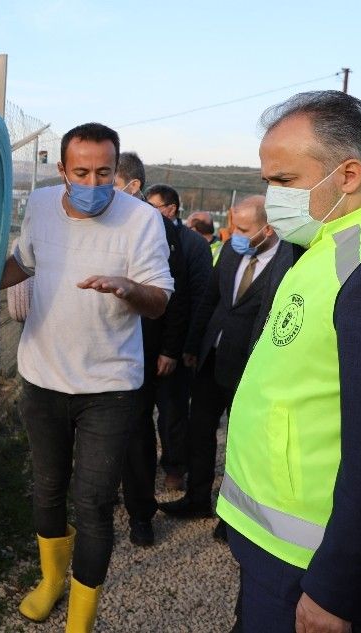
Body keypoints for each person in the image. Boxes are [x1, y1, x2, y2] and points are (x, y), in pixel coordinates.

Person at [215, 90, 361, 632]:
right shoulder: (333, 244)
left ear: (348, 175)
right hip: (280, 547)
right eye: (267, 181)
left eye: (284, 180)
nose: (272, 197)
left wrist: (336, 592)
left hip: (311, 566)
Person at [0, 123, 174, 632]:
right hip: (42, 377)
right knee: (47, 488)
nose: (93, 183)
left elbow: (159, 301)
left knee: (94, 502)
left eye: (104, 172)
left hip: (109, 389)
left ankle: (81, 618)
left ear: (117, 170)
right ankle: (52, 581)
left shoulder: (141, 220)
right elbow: (23, 263)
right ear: (62, 170)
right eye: (81, 172)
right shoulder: (40, 206)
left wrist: (128, 288)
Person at [163, 196, 301, 540]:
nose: (233, 235)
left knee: (243, 444)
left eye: (242, 229)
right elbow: (210, 299)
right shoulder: (230, 250)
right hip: (212, 359)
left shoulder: (291, 260)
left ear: (268, 229)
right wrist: (193, 345)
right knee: (200, 432)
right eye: (232, 227)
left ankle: (234, 515)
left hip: (250, 367)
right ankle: (197, 499)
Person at [115, 152, 189, 547]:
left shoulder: (156, 227)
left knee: (136, 430)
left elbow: (175, 298)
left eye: (110, 181)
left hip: (140, 347)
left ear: (133, 186)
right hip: (98, 347)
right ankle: (105, 494)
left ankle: (141, 514)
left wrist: (170, 349)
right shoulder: (99, 219)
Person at [145, 184, 213, 489]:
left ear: (171, 209)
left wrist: (185, 347)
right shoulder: (142, 236)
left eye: (154, 207)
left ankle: (175, 467)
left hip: (176, 345)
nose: (147, 212)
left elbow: (198, 299)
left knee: (172, 412)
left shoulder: (193, 245)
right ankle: (140, 471)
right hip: (142, 344)